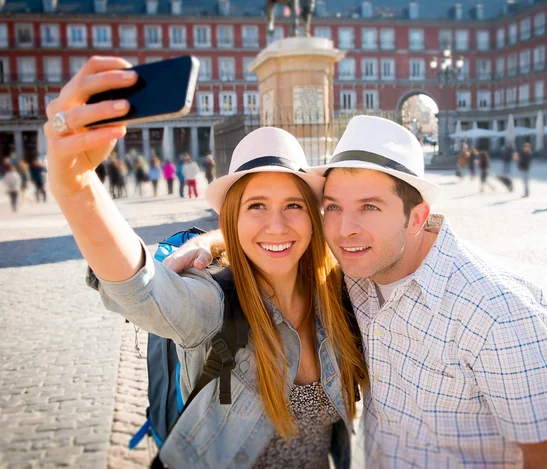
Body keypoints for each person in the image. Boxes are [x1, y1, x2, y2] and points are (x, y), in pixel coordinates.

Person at [173, 116, 547, 468]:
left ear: (417, 217)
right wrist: (214, 240)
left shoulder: (498, 313)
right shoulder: (355, 274)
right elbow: (273, 231)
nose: (345, 230)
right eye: (332, 207)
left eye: (369, 206)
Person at [43, 58, 367, 468]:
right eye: (256, 206)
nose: (277, 225)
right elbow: (141, 289)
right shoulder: (214, 306)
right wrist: (75, 185)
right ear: (232, 218)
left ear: (313, 216)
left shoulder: (338, 295)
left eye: (293, 205)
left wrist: (217, 239)